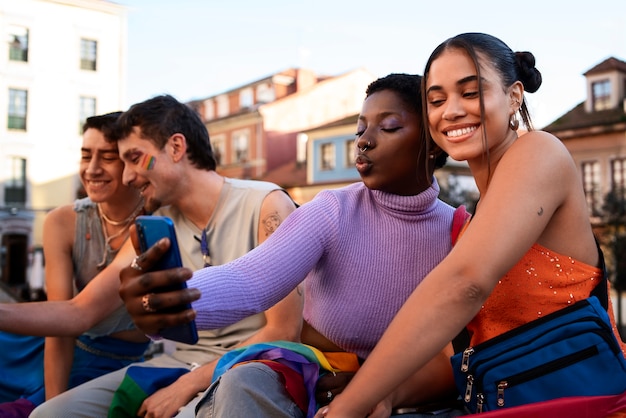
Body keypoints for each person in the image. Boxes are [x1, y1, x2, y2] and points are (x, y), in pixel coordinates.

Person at [311, 32, 626, 418]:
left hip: (586, 405)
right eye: (437, 100)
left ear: (514, 96)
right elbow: (454, 352)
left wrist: (351, 406)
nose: (452, 111)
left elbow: (464, 283)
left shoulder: (540, 151)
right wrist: (387, 395)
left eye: (471, 93)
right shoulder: (470, 226)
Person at [118, 74, 468, 417]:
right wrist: (171, 300)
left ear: (433, 141)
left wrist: (382, 393)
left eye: (388, 127)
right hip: (312, 383)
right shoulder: (332, 210)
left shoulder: (462, 234)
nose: (363, 141)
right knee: (243, 384)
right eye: (360, 129)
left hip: (409, 397)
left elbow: (451, 357)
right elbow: (252, 279)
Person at [0, 94, 303, 418]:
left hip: (249, 366)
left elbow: (283, 332)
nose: (128, 176)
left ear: (175, 147)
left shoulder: (266, 205)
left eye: (135, 158)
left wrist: (187, 385)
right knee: (48, 415)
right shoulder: (155, 225)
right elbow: (81, 312)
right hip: (173, 363)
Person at [0, 111, 149, 417]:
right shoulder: (61, 221)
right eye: (85, 156)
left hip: (121, 364)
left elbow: (78, 314)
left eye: (107, 157)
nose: (91, 169)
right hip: (49, 352)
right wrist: (55, 402)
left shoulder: (153, 225)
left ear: (130, 162)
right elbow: (60, 327)